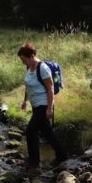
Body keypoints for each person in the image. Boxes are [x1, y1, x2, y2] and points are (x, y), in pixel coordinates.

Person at [18, 43, 68, 172]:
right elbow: (28, 85)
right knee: (47, 133)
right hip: (36, 105)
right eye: (22, 60)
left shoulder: (43, 68)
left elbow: (50, 89)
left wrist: (49, 108)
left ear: (32, 56)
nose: (23, 63)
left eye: (24, 60)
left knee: (30, 131)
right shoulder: (29, 67)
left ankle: (34, 162)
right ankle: (62, 155)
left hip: (44, 105)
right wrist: (25, 101)